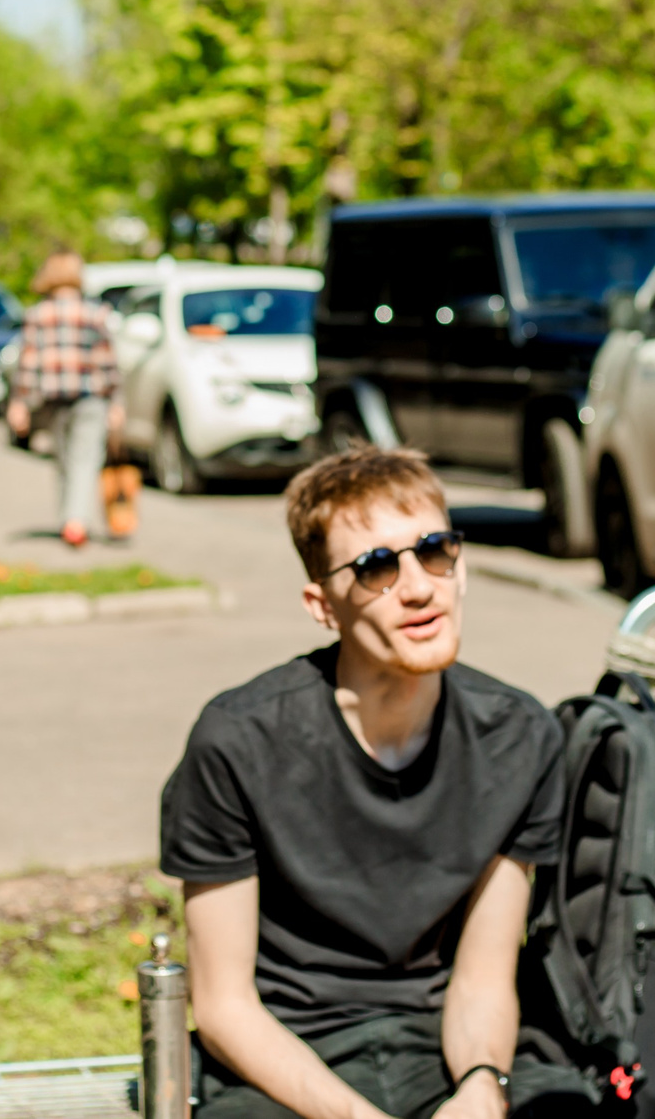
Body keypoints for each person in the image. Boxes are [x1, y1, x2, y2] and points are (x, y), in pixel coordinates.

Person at [159, 446, 596, 1119]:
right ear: (322, 604)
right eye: (376, 566)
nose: (419, 586)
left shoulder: (521, 735)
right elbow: (224, 1005)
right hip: (284, 1064)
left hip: (439, 1049)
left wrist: (481, 1086)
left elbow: (482, 976)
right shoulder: (239, 739)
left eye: (436, 550)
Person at [6, 249, 125, 544]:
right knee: (84, 459)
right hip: (90, 397)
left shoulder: (36, 315)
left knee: (64, 460)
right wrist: (116, 402)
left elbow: (28, 362)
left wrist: (19, 402)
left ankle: (70, 519)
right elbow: (107, 362)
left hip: (53, 398)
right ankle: (75, 520)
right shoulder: (96, 313)